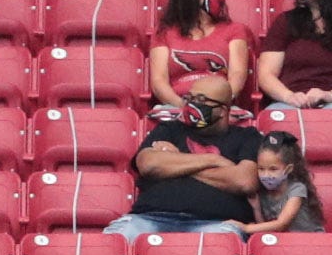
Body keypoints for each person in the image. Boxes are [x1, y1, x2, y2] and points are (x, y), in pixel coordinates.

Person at [109, 74, 259, 239]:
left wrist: (175, 160)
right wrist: (213, 160)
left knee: (221, 242)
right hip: (150, 218)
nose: (192, 105)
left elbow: (244, 182)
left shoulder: (247, 136)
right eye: (189, 98)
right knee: (117, 239)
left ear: (223, 111)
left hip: (215, 222)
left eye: (201, 100)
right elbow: (148, 164)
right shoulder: (169, 129)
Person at [149, 0, 251, 120]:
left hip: (219, 107)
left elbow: (237, 75)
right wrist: (184, 107)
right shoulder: (164, 32)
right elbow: (159, 81)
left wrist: (215, 105)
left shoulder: (235, 30)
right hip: (177, 106)